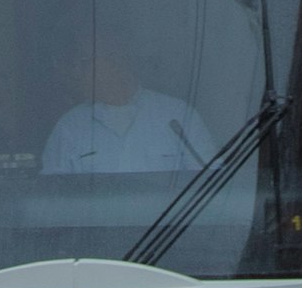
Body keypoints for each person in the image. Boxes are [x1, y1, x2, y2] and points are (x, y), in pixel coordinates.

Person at [39, 29, 211, 180]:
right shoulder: (69, 127)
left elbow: (211, 183)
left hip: (174, 218)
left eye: (84, 62)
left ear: (116, 59)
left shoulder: (178, 116)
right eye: (75, 64)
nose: (77, 72)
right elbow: (53, 199)